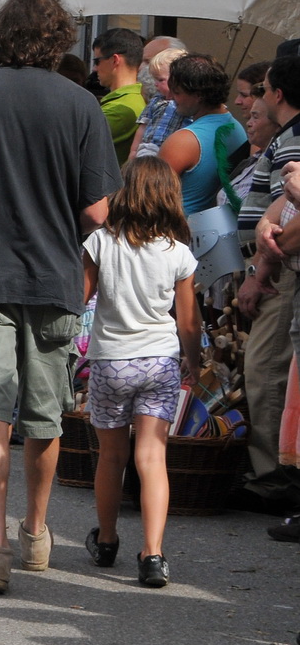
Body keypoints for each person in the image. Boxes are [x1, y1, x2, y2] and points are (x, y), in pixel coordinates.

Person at [0, 0, 120, 593]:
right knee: (45, 417)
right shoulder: (81, 104)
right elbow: (99, 210)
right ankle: (37, 530)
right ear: (58, 40)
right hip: (54, 277)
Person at [83, 158, 200, 589]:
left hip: (111, 361)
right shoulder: (178, 253)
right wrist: (194, 360)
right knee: (151, 458)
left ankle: (108, 540)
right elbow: (188, 322)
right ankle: (153, 555)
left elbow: (82, 296)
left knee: (111, 457)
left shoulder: (100, 243)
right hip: (160, 361)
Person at [238, 54, 300, 515]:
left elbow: (289, 214)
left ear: (277, 93)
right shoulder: (288, 136)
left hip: (280, 274)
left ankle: (275, 478)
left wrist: (262, 270)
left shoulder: (295, 137)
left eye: (261, 91)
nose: (256, 100)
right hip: (273, 269)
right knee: (267, 372)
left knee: (267, 373)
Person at [158, 54, 245, 214]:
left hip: (180, 232)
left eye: (176, 92)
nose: (169, 97)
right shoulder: (238, 128)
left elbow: (148, 198)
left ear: (198, 95)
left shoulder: (183, 141)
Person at [128, 35, 190, 158]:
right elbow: (142, 127)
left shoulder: (187, 104)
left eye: (147, 61)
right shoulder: (155, 100)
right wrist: (133, 152)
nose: (140, 68)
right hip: (145, 150)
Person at [91, 27, 146, 165]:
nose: (94, 68)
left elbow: (71, 142)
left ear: (115, 60)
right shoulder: (135, 99)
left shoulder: (120, 109)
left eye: (97, 61)